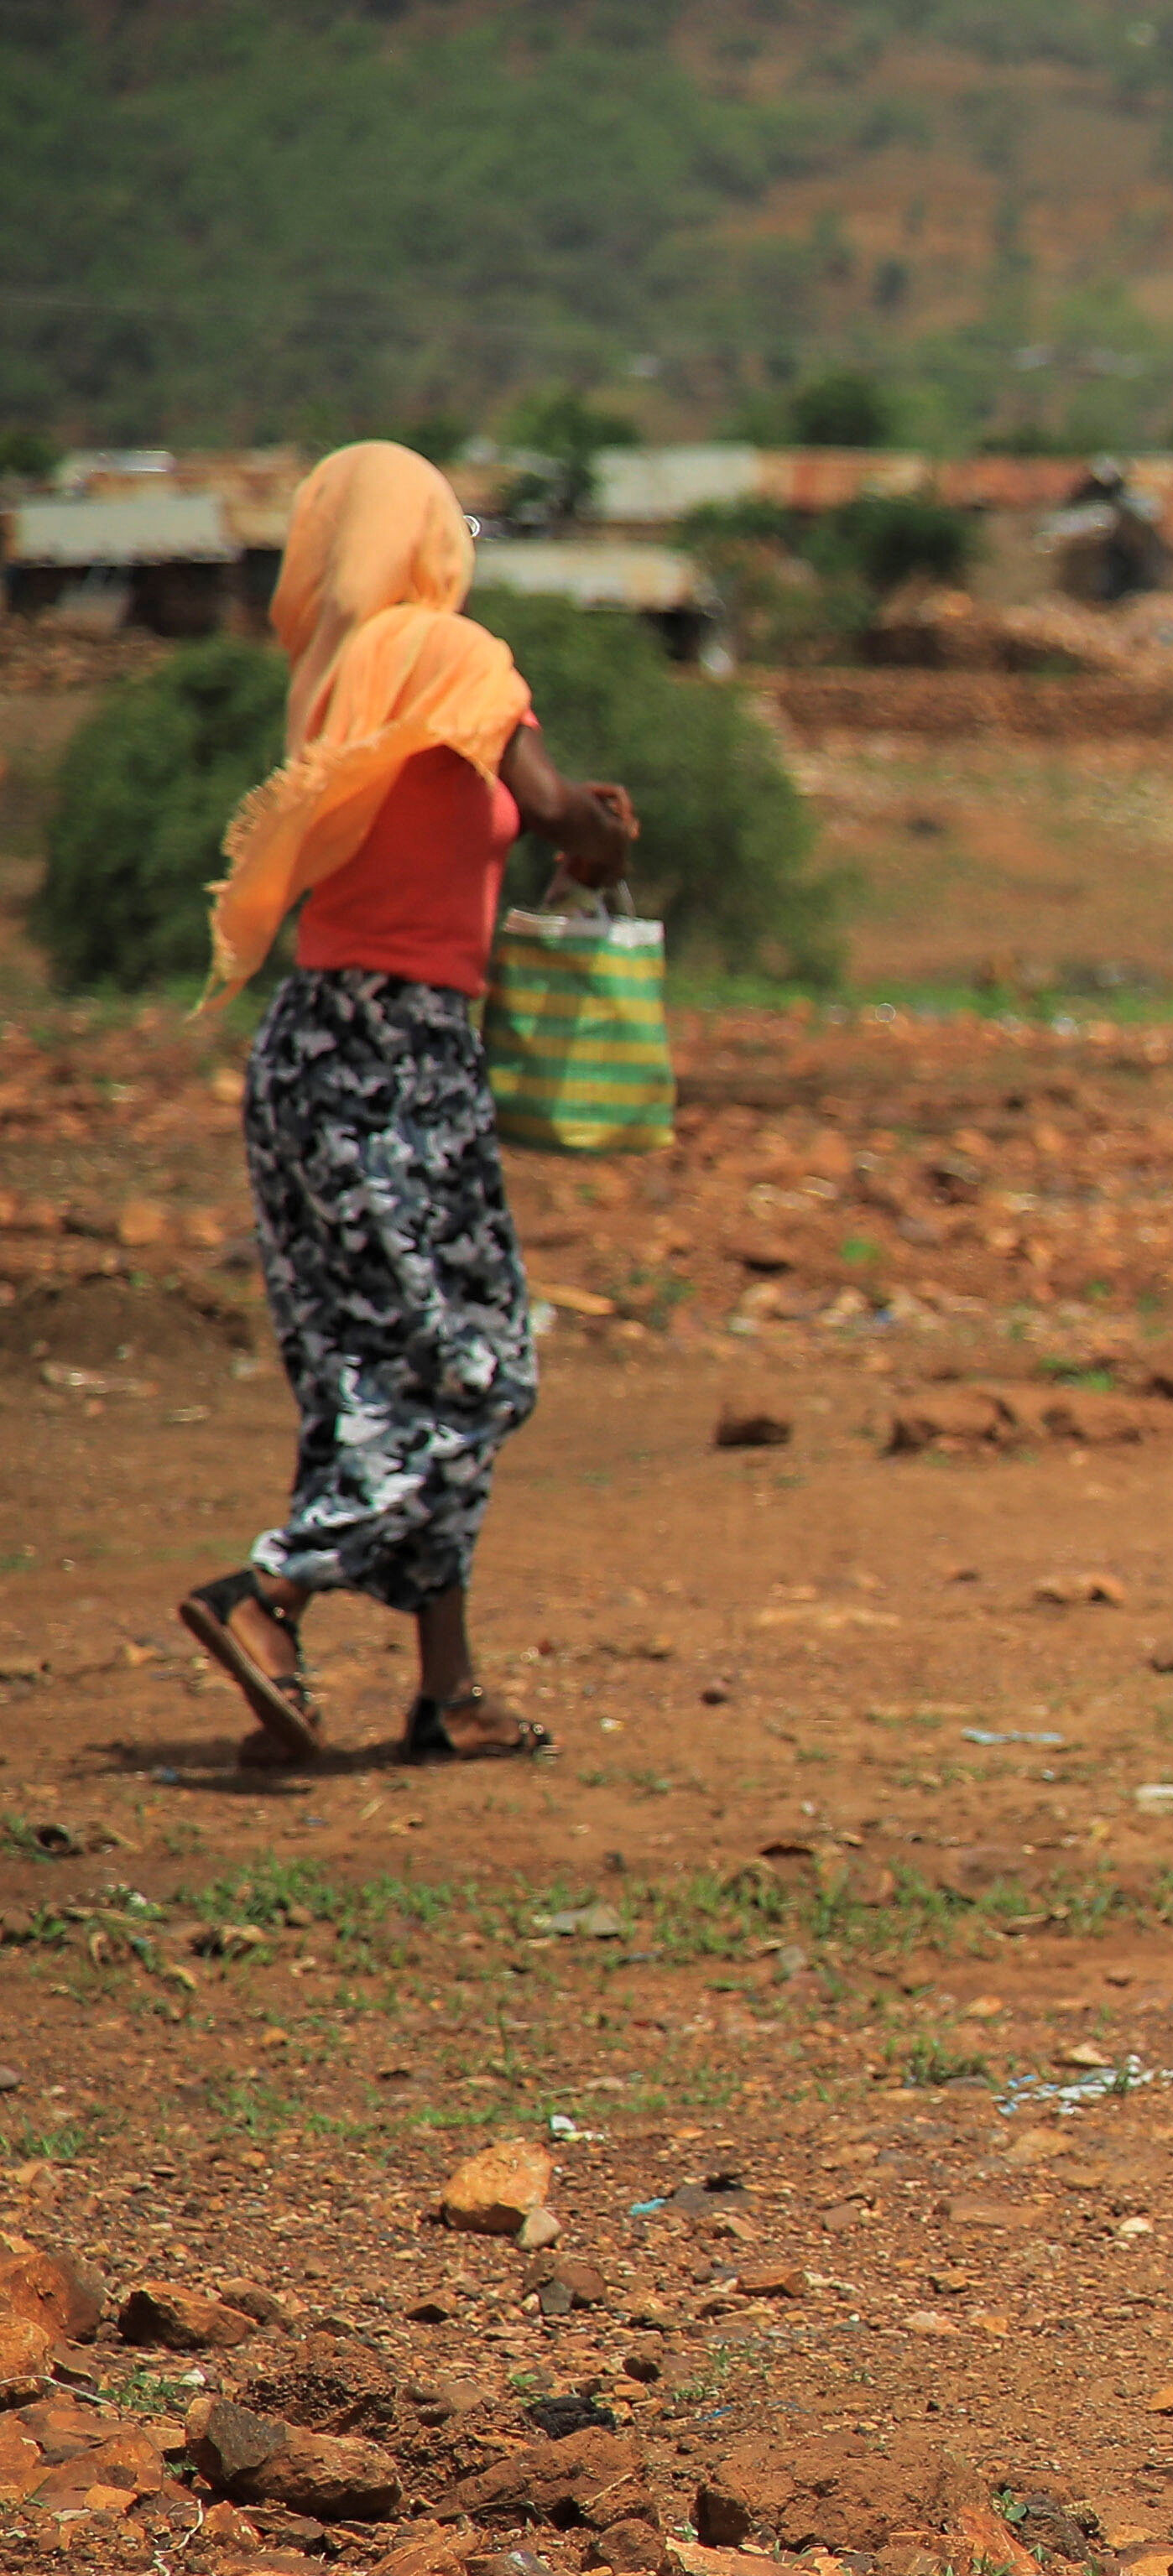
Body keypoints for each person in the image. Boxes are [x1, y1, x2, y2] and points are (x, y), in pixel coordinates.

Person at [174, 440, 638, 1767]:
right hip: (401, 1051)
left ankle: (448, 1690)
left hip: (313, 1048)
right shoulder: (452, 653)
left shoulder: (331, 672)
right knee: (473, 1364)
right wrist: (600, 832)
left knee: (367, 1369)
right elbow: (551, 813)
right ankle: (268, 1598)